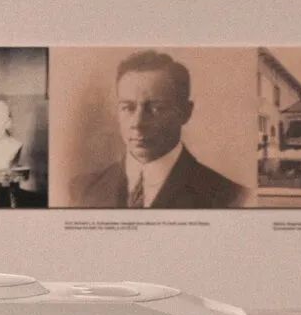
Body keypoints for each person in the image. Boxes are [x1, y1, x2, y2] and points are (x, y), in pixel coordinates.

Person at [70, 50, 249, 208]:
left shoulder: (230, 198)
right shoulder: (83, 190)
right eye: (128, 107)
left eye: (156, 108)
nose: (138, 123)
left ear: (185, 112)